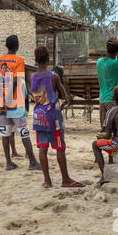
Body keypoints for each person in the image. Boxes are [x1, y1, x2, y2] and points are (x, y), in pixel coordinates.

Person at [31, 46, 86, 188]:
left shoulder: (33, 76)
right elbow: (63, 95)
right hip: (52, 116)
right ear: (48, 59)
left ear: (36, 60)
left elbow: (34, 95)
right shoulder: (53, 76)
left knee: (42, 148)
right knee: (59, 147)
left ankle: (47, 180)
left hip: (38, 115)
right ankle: (65, 179)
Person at [0, 35, 42, 171]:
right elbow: (15, 81)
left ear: (6, 46)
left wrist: (2, 99)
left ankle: (8, 163)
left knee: (5, 133)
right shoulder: (18, 61)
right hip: (15, 103)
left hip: (1, 104)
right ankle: (32, 162)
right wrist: (8, 100)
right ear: (17, 46)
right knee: (23, 132)